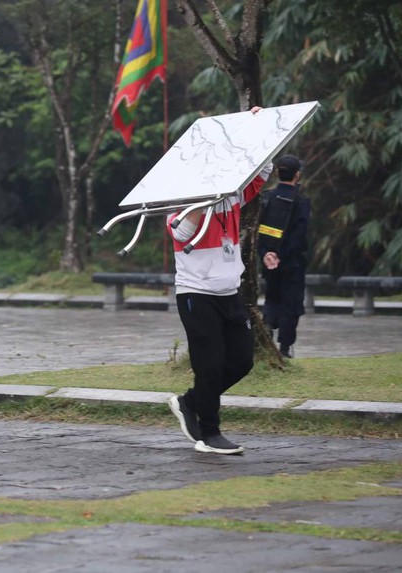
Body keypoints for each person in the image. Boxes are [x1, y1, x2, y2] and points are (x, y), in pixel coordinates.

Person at [166, 106, 271, 455]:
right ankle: (209, 434)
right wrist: (203, 197)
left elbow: (264, 169)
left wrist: (257, 129)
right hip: (197, 295)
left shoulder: (232, 195)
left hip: (229, 294)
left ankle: (190, 402)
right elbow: (183, 232)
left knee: (241, 361)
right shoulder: (178, 201)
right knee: (208, 364)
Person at [257, 155, 311, 359]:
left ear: (277, 172)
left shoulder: (266, 197)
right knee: (292, 303)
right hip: (292, 262)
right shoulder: (302, 202)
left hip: (269, 262)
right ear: (297, 174)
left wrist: (266, 254)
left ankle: (266, 338)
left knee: (272, 298)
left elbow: (259, 231)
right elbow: (299, 235)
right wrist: (282, 255)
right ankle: (285, 349)